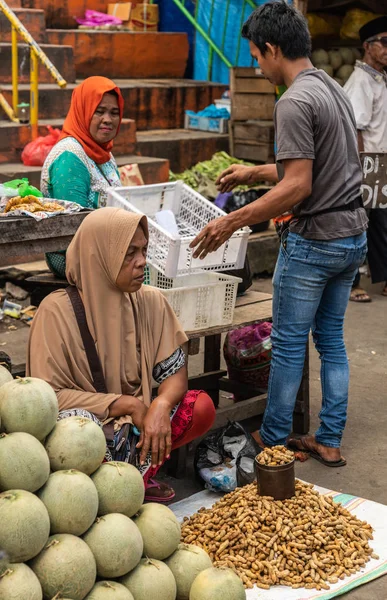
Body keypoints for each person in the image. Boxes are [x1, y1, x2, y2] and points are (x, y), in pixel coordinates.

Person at [190, 1, 368, 466]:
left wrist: (231, 221)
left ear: (272, 48)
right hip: (352, 236)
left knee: (288, 345)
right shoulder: (331, 88)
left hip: (315, 243)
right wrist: (253, 173)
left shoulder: (292, 101)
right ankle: (328, 439)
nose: (256, 65)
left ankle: (269, 444)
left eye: (255, 55)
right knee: (329, 340)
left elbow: (299, 185)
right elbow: (316, 166)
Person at [27, 208, 216, 501]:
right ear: (100, 255)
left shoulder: (151, 301)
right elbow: (44, 399)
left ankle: (133, 479)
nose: (142, 262)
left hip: (137, 427)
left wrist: (161, 405)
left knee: (201, 407)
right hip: (85, 431)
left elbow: (176, 376)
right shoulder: (55, 311)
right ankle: (111, 488)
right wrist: (124, 403)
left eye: (144, 250)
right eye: (130, 253)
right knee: (78, 440)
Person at [41, 76, 123, 279]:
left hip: (107, 247)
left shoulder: (104, 153)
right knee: (144, 268)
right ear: (83, 110)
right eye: (99, 111)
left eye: (114, 113)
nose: (108, 119)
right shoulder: (70, 156)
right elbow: (75, 230)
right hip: (73, 257)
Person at [344, 16, 387, 302]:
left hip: (380, 162)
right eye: (384, 42)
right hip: (367, 163)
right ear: (367, 46)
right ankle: (352, 283)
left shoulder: (379, 78)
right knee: (359, 223)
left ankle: (382, 278)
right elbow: (356, 128)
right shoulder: (360, 81)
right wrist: (361, 168)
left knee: (381, 222)